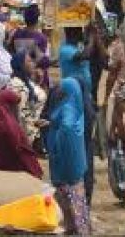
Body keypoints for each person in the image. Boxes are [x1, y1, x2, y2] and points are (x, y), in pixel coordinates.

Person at [45, 79, 91, 236]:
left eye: (62, 90)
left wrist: (56, 145)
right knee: (75, 208)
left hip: (65, 167)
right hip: (73, 167)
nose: (58, 92)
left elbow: (67, 127)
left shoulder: (67, 107)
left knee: (70, 208)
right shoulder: (74, 105)